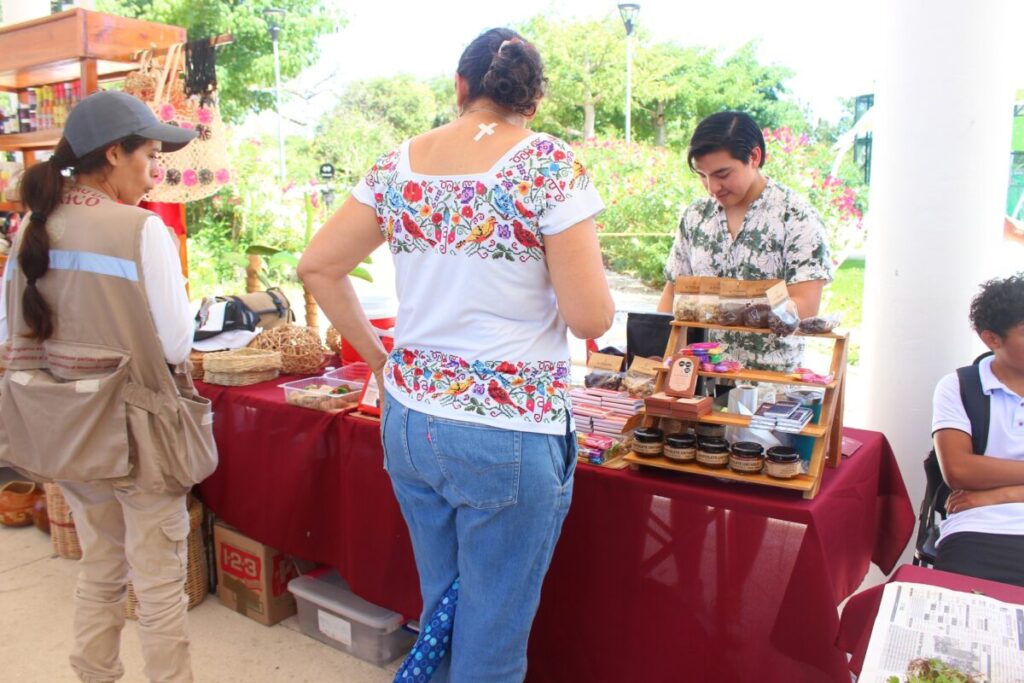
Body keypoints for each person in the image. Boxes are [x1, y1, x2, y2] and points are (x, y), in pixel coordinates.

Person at [299, 28, 614, 681]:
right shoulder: (548, 165)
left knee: (445, 609)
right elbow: (592, 317)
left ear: (461, 87)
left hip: (413, 418)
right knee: (490, 640)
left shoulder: (397, 165)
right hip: (506, 429)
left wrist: (382, 362)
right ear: (534, 99)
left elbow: (319, 265)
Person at [0, 91, 201, 681]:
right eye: (149, 156)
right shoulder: (140, 229)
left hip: (69, 432)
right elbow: (174, 346)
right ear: (115, 154)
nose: (154, 170)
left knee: (101, 567)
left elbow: (17, 331)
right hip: (139, 437)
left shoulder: (33, 228)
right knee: (160, 585)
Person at [656, 111, 833, 372]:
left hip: (772, 386)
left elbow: (805, 304)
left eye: (722, 174)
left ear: (754, 157)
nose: (712, 187)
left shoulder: (795, 216)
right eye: (702, 175)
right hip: (698, 382)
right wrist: (656, 354)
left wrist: (742, 310)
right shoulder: (695, 217)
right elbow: (674, 293)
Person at [932, 273, 1024, 587]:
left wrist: (1003, 494)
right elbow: (958, 471)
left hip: (984, 503)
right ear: (992, 339)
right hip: (978, 528)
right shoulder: (960, 386)